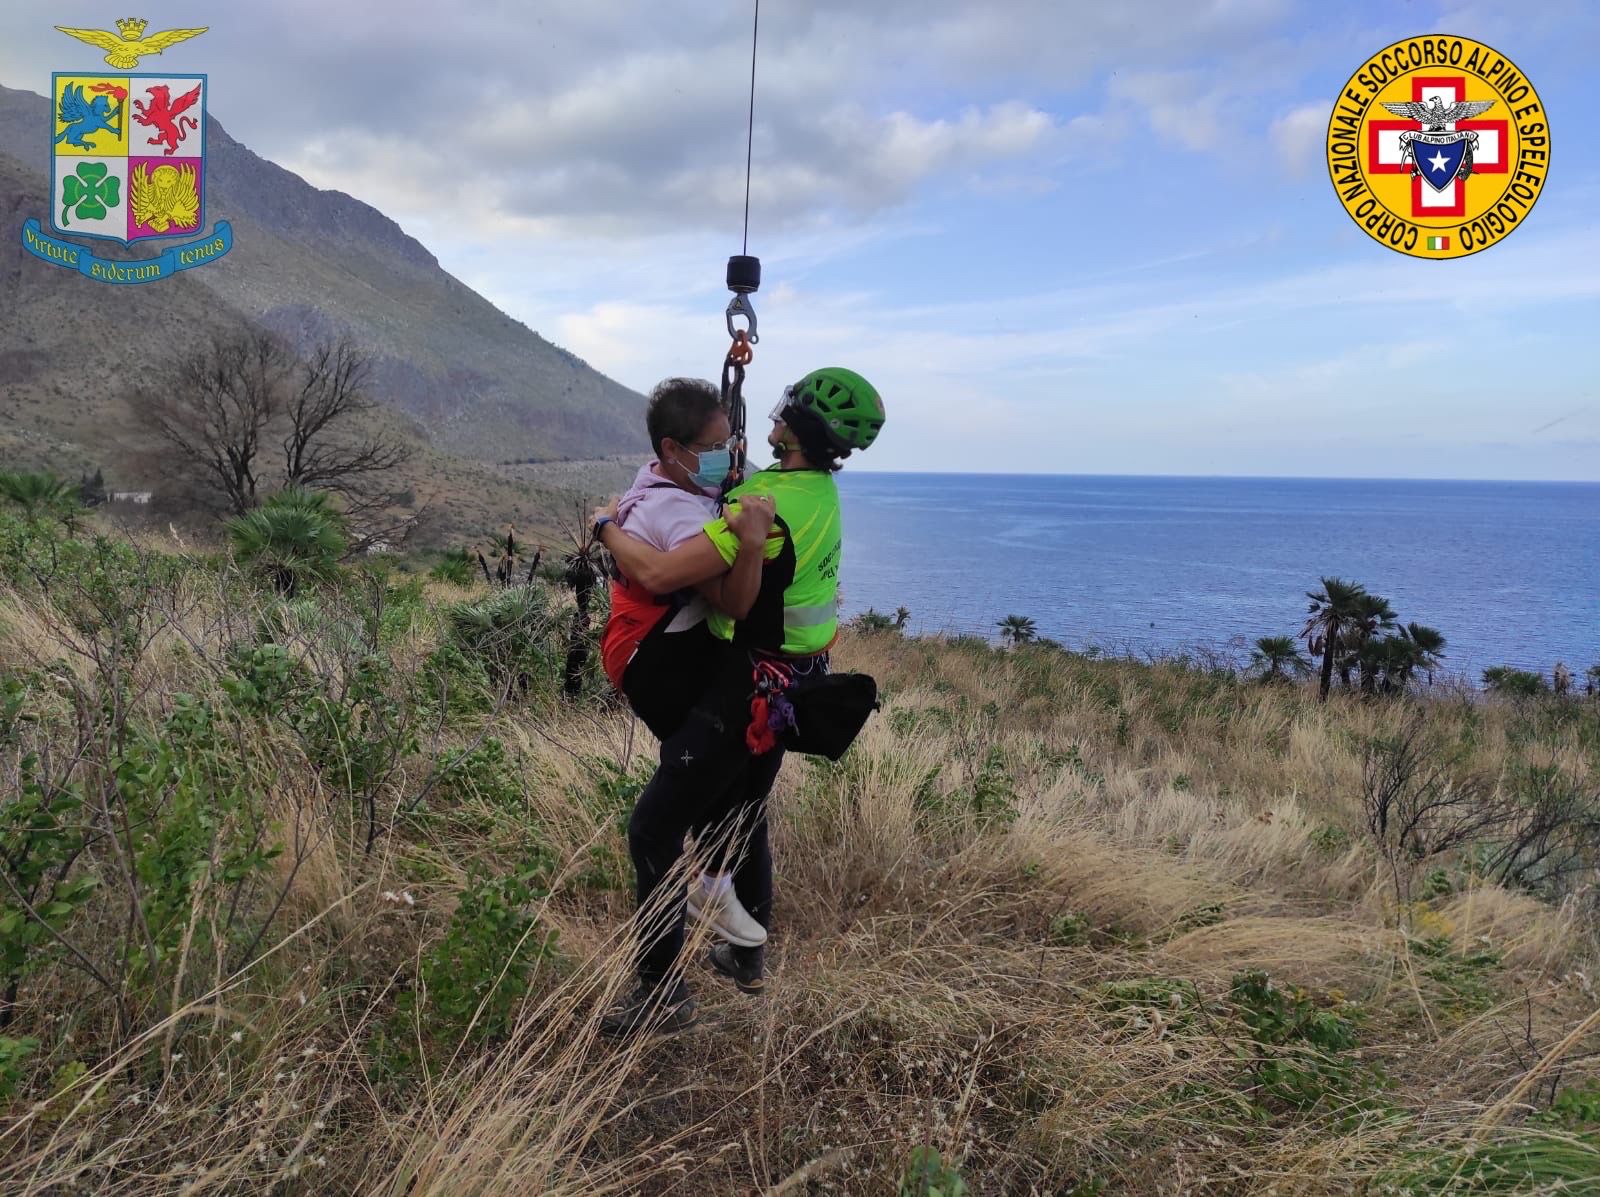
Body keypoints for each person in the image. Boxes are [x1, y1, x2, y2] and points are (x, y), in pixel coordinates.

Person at [596, 367, 886, 1038]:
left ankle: (662, 996)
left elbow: (666, 572)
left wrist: (608, 526)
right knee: (742, 813)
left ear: (797, 427)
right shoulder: (821, 493)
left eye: (784, 410)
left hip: (745, 683)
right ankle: (746, 956)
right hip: (798, 677)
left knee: (653, 829)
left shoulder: (763, 499)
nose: (771, 419)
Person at [596, 377, 776, 953]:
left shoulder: (654, 481)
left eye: (732, 445)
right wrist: (749, 542)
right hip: (660, 660)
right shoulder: (677, 513)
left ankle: (721, 905)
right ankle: (705, 904)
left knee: (723, 781)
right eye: (716, 446)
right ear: (673, 450)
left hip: (646, 649)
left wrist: (606, 527)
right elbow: (733, 601)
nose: (728, 457)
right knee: (693, 790)